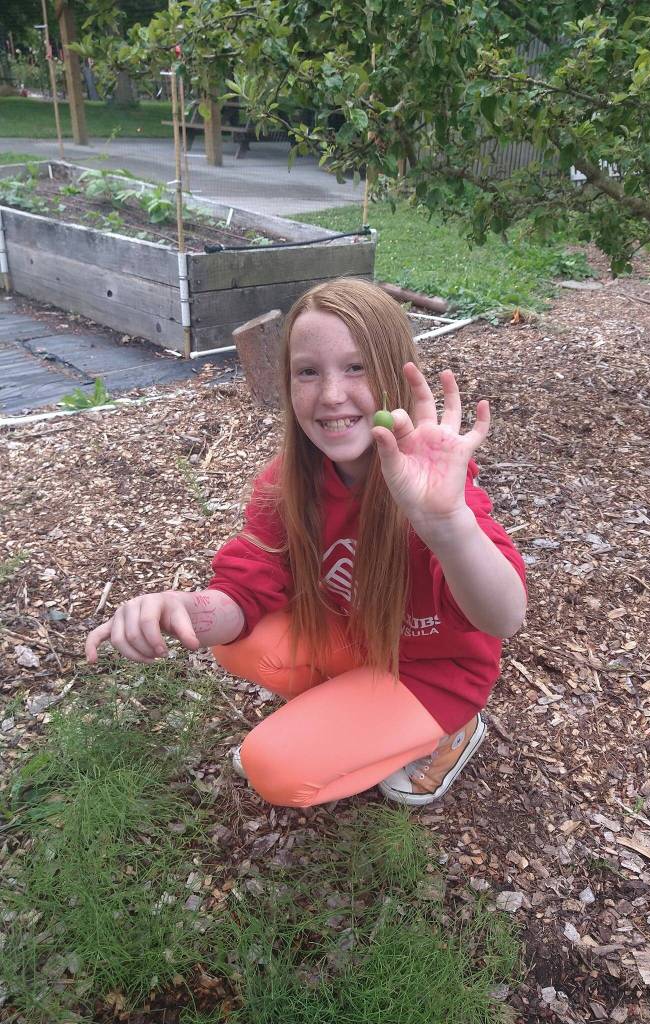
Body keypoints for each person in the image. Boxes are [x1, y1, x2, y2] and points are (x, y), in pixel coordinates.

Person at [85, 278, 527, 808]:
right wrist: (179, 608)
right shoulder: (288, 482)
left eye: (356, 367)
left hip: (435, 669)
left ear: (395, 373)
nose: (331, 394)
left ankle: (448, 732)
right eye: (308, 372)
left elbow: (503, 619)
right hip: (361, 638)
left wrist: (448, 524)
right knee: (241, 641)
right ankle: (349, 713)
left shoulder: (435, 485)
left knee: (274, 770)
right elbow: (245, 591)